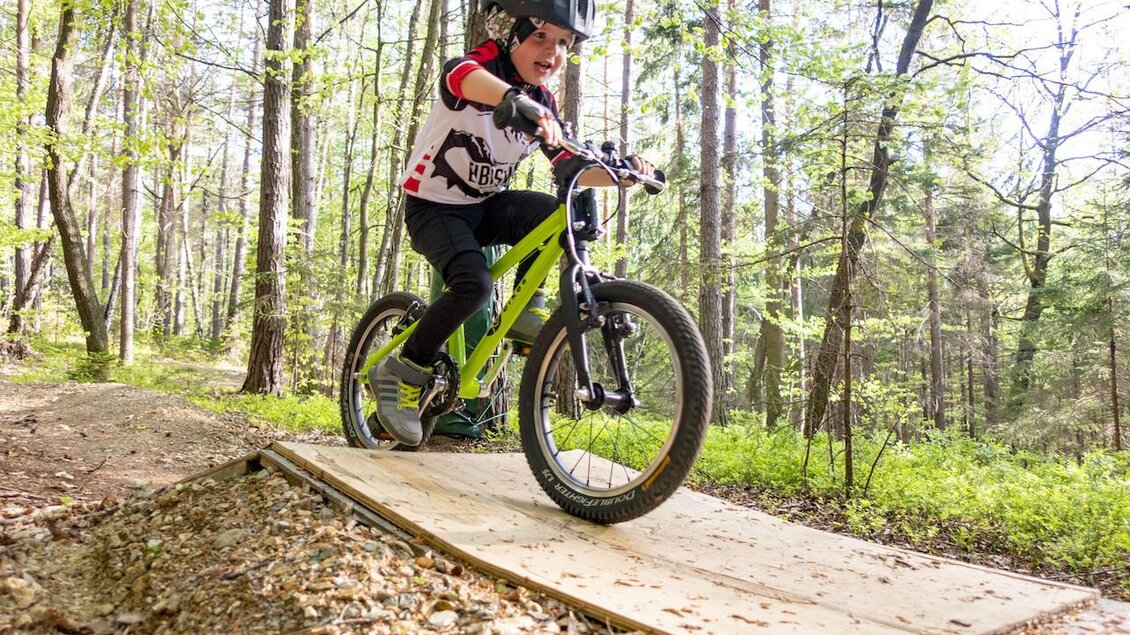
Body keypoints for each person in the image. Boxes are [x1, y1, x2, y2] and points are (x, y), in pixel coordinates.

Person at [372, 0, 654, 446]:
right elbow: (457, 74)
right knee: (474, 285)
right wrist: (510, 98)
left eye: (564, 42)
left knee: (552, 213)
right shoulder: (485, 65)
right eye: (540, 36)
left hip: (485, 205)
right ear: (511, 34)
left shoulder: (544, 100)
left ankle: (526, 310)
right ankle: (403, 370)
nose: (553, 51)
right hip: (433, 207)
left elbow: (568, 159)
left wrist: (625, 175)